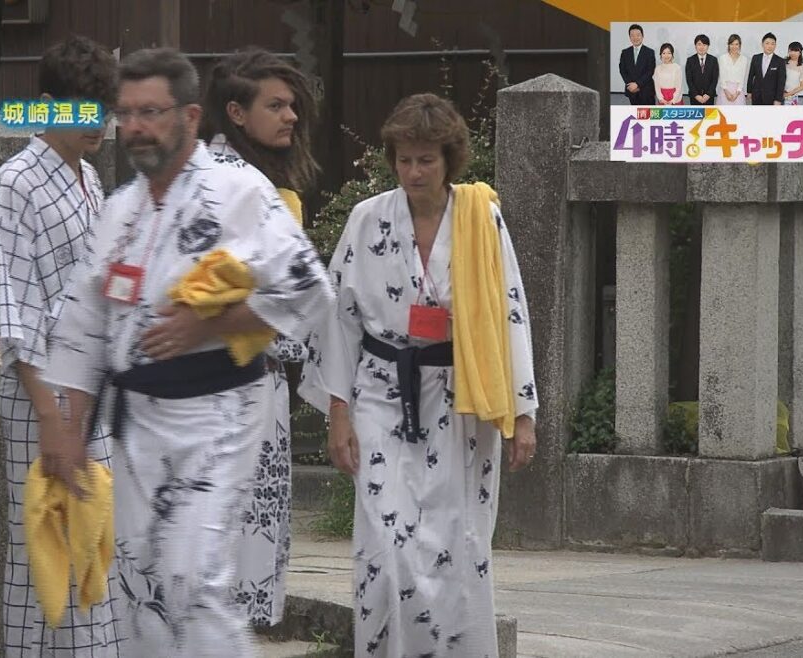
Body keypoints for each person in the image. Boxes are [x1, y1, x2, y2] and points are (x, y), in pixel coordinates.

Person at [41, 47, 334, 657]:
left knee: (193, 575)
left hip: (219, 407)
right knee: (140, 582)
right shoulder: (120, 209)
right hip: (137, 420)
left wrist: (213, 325)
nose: (135, 127)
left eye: (151, 111)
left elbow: (310, 290)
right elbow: (82, 325)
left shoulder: (240, 192)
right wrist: (65, 428)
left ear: (191, 117)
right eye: (126, 113)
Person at [299, 93, 538, 657]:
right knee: (385, 544)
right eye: (404, 159)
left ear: (449, 159)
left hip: (463, 397)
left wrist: (522, 414)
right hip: (382, 390)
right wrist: (338, 414)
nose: (413, 171)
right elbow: (340, 320)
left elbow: (511, 310)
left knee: (459, 541)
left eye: (425, 160)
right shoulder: (367, 219)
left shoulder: (481, 217)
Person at [0, 35, 124, 657]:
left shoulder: (89, 177)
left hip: (93, 389)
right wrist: (52, 414)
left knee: (94, 538)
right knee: (45, 542)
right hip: (41, 394)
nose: (97, 122)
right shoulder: (14, 182)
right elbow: (13, 308)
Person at [199, 47, 321, 629]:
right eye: (275, 105)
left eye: (292, 104)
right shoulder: (232, 184)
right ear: (236, 113)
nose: (290, 116)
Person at [619, 24, 656, 105]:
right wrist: (630, 85)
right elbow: (622, 70)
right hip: (631, 90)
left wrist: (637, 84)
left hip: (646, 90)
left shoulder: (650, 52)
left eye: (638, 35)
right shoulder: (625, 52)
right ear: (629, 37)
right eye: (632, 35)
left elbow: (650, 71)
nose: (635, 38)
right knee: (635, 114)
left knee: (649, 114)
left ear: (642, 36)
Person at [747, 32, 787, 105]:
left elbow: (781, 82)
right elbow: (751, 76)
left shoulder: (780, 61)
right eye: (767, 43)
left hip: (771, 98)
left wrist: (778, 99)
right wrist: (749, 91)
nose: (770, 46)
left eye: (772, 44)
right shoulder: (756, 58)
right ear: (762, 44)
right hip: (756, 96)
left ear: (775, 45)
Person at [685, 34, 718, 105]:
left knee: (709, 116)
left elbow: (715, 79)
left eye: (704, 44)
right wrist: (696, 95)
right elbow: (689, 80)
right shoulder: (690, 60)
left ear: (708, 46)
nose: (702, 47)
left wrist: (708, 94)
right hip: (695, 97)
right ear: (695, 46)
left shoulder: (713, 60)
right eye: (699, 44)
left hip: (709, 97)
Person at [717, 34, 749, 105]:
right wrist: (726, 92)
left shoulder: (744, 59)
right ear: (728, 45)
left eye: (736, 44)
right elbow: (722, 76)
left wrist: (737, 93)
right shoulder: (722, 58)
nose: (734, 47)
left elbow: (742, 77)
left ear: (740, 45)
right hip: (725, 90)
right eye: (732, 44)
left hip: (738, 92)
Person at [784, 41, 803, 105]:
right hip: (779, 94)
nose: (793, 53)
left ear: (800, 52)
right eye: (791, 50)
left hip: (792, 96)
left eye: (795, 51)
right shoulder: (784, 62)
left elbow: (802, 86)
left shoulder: (802, 66)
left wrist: (788, 94)